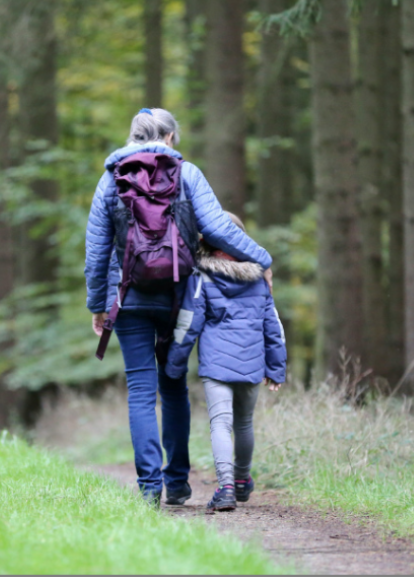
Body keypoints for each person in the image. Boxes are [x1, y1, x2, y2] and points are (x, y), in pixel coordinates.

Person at [85, 107, 274, 507]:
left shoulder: (110, 179)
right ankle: (178, 483)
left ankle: (150, 487)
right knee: (173, 386)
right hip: (179, 296)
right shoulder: (187, 174)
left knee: (140, 389)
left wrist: (98, 305)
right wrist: (262, 258)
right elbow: (219, 228)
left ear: (132, 136)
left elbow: (96, 251)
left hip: (129, 297)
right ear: (170, 137)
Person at [164, 212, 287, 511]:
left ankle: (227, 487)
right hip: (252, 361)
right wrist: (276, 367)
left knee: (221, 424)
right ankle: (243, 481)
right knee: (244, 423)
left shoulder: (202, 276)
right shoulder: (259, 278)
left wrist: (174, 363)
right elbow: (273, 326)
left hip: (217, 365)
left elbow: (189, 323)